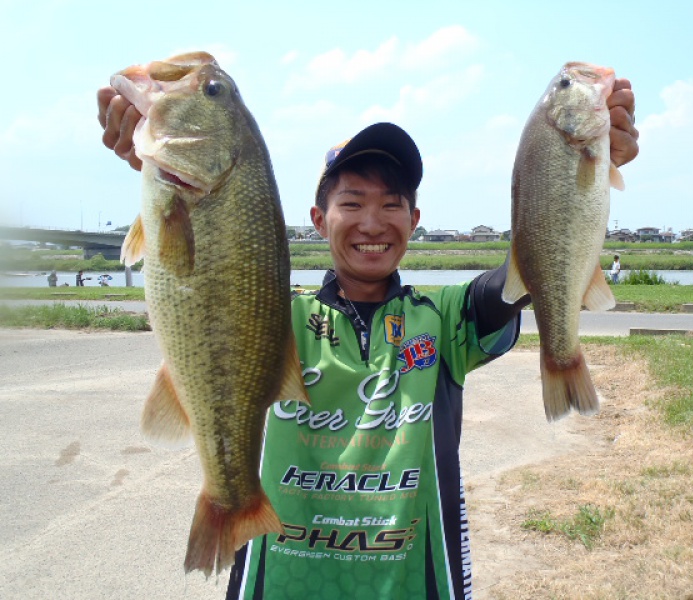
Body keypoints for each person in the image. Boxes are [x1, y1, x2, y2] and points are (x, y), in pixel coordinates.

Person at [97, 76, 638, 599]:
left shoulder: (444, 318)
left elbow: (526, 274)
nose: (373, 223)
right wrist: (162, 171)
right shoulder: (269, 318)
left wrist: (567, 174)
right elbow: (208, 276)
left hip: (417, 583)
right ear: (318, 218)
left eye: (392, 204)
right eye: (351, 203)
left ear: (415, 218)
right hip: (279, 581)